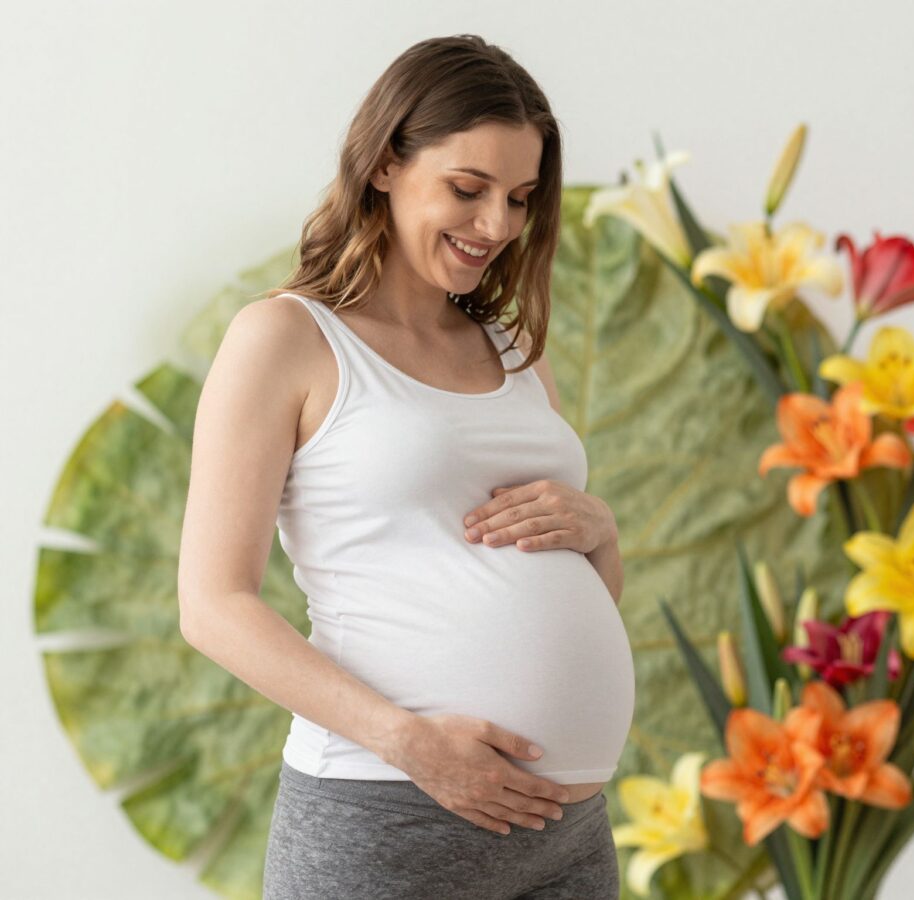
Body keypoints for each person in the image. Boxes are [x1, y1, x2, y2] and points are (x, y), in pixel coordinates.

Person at [177, 34, 636, 899]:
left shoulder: (516, 349)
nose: (496, 225)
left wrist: (599, 533)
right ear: (386, 163)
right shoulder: (286, 339)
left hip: (567, 835)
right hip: (387, 815)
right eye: (468, 189)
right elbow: (212, 607)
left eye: (520, 198)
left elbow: (556, 593)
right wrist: (412, 744)